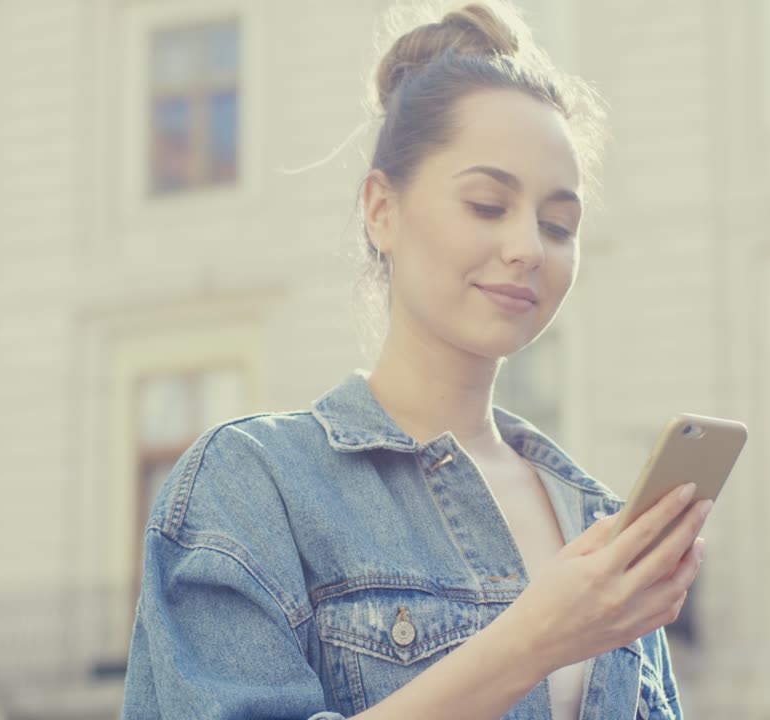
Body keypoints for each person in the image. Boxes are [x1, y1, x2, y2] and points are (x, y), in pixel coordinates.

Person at [120, 2, 708, 718]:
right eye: (488, 205)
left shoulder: (597, 523)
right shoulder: (253, 486)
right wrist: (529, 643)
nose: (528, 247)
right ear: (380, 210)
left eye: (559, 224)